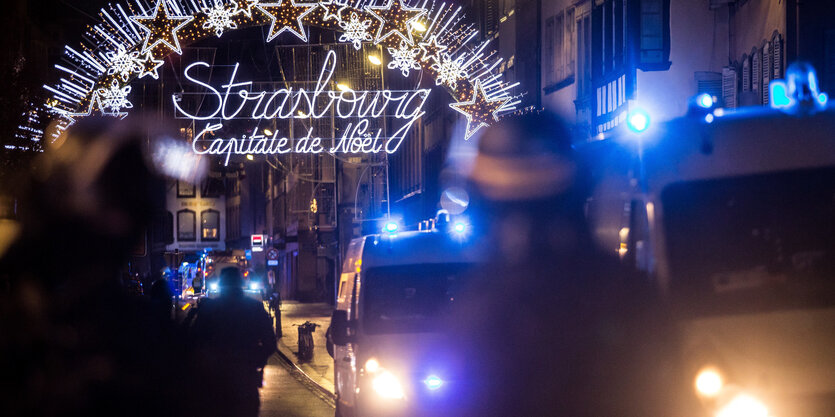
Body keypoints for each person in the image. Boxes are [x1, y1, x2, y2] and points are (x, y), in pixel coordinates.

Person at [450, 112, 691, 417]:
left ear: (482, 202)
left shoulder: (476, 308)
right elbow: (672, 394)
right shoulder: (626, 292)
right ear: (578, 191)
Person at [188, 267, 277, 417]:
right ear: (241, 283)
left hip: (214, 381)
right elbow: (270, 343)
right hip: (245, 380)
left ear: (221, 284)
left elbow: (195, 341)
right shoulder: (254, 307)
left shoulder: (209, 308)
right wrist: (255, 361)